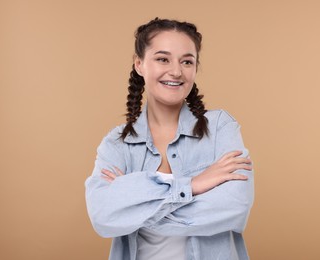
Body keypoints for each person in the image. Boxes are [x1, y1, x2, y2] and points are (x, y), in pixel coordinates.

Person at [85, 18, 254, 260]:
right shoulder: (117, 144)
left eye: (187, 61)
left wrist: (138, 207)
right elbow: (103, 215)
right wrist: (192, 186)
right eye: (163, 59)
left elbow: (236, 206)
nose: (176, 71)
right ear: (139, 64)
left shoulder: (220, 128)